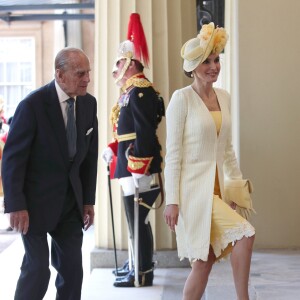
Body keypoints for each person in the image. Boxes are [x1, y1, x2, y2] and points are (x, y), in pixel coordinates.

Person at [163, 22, 255, 300]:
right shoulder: (182, 99)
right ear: (192, 67)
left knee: (203, 263)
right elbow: (173, 155)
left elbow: (227, 150)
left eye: (216, 60)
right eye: (206, 61)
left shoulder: (224, 97)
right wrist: (172, 201)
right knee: (245, 234)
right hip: (193, 194)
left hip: (219, 192)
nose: (214, 66)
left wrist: (235, 188)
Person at [1, 47, 98, 300]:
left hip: (70, 204)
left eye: (88, 72)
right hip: (33, 205)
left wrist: (88, 200)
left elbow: (88, 158)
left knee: (72, 272)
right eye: (80, 73)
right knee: (37, 270)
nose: (87, 78)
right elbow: (12, 159)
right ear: (60, 74)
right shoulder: (32, 105)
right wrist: (15, 205)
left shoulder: (89, 104)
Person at [102, 13, 164, 287]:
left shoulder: (140, 91)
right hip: (129, 164)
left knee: (138, 221)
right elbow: (126, 133)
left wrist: (137, 163)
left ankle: (141, 272)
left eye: (118, 65)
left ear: (129, 64)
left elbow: (144, 133)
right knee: (135, 221)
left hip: (137, 166)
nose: (115, 70)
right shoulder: (129, 92)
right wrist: (113, 150)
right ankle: (137, 264)